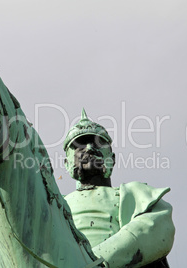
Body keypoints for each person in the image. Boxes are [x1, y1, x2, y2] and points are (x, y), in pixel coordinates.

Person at [63, 109, 175, 268]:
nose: (89, 148)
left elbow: (156, 228)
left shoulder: (135, 193)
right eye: (79, 146)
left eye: (97, 143)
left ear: (112, 159)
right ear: (66, 164)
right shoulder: (56, 205)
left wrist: (97, 261)